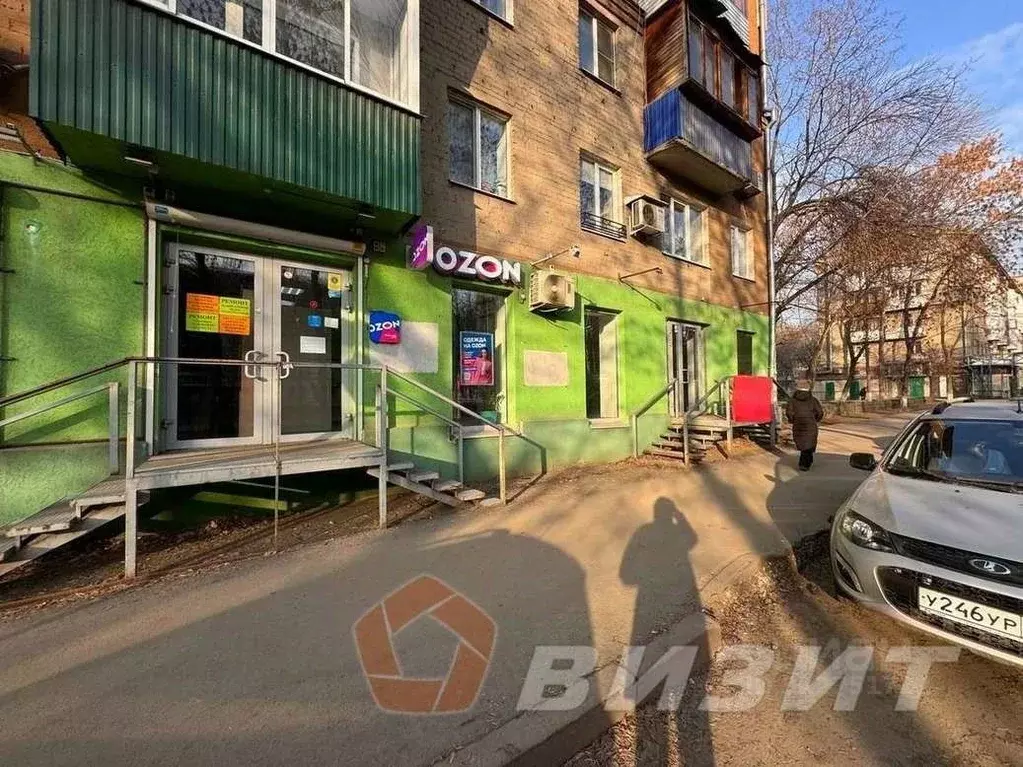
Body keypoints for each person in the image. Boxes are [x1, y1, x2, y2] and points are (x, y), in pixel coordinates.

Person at [786, 380, 824, 471]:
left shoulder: (792, 401)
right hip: (811, 426)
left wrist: (793, 420)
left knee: (803, 445)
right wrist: (816, 420)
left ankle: (805, 463)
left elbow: (789, 413)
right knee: (809, 444)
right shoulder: (813, 400)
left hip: (798, 426)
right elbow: (820, 413)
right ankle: (805, 463)